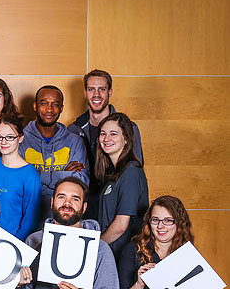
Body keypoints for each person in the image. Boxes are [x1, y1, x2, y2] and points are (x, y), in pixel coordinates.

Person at [19, 85, 88, 224]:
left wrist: (39, 175)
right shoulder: (20, 139)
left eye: (55, 104)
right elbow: (20, 180)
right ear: (35, 106)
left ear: (61, 108)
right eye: (44, 103)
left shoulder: (75, 141)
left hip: (65, 221)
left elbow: (82, 182)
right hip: (26, 218)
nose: (49, 109)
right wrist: (64, 174)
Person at [0, 116, 41, 240]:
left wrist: (13, 244)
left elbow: (30, 220)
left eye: (10, 137)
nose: (3, 142)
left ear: (20, 138)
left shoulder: (30, 175)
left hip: (12, 241)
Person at [94, 112, 148, 255]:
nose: (106, 139)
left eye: (113, 134)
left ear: (125, 139)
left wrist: (96, 247)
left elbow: (121, 226)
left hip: (123, 254)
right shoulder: (114, 173)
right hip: (111, 251)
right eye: (103, 133)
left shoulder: (131, 172)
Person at [69, 69, 144, 172]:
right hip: (83, 187)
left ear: (110, 92)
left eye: (102, 89)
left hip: (115, 187)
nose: (96, 94)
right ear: (85, 93)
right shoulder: (73, 130)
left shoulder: (129, 128)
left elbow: (136, 171)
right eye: (91, 89)